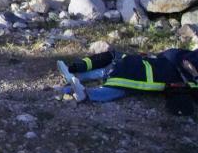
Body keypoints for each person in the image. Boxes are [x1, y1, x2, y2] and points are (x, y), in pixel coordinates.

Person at [57, 48, 198, 112]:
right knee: (118, 88)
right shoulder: (183, 62)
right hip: (139, 75)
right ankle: (84, 92)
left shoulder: (176, 56)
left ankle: (71, 84)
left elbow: (169, 54)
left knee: (107, 72)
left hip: (132, 64)